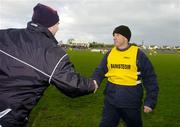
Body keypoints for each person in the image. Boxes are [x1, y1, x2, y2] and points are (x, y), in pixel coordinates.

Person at [0, 3, 98, 127]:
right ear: (50, 25)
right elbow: (72, 84)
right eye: (58, 24)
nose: (58, 27)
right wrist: (91, 85)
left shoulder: (5, 34)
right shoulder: (52, 52)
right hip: (7, 115)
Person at [92, 25, 159, 127]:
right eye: (113, 35)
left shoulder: (138, 54)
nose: (114, 37)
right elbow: (100, 70)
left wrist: (150, 101)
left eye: (117, 35)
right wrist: (95, 81)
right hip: (110, 101)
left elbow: (150, 78)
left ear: (125, 37)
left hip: (131, 102)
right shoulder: (110, 54)